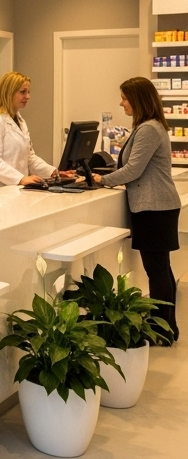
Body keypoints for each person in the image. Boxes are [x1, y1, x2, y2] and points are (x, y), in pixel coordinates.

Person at [95, 76, 180, 342]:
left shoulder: (148, 129)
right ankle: (167, 329)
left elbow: (133, 169)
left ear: (137, 100)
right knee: (161, 269)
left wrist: (102, 179)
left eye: (124, 98)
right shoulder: (151, 126)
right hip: (158, 206)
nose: (121, 103)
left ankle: (159, 331)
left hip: (154, 207)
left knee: (157, 271)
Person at [0, 72, 58, 188]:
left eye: (28, 92)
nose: (28, 96)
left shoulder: (19, 120)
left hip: (16, 190)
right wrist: (21, 178)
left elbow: (29, 157)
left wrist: (52, 172)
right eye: (23, 92)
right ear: (9, 93)